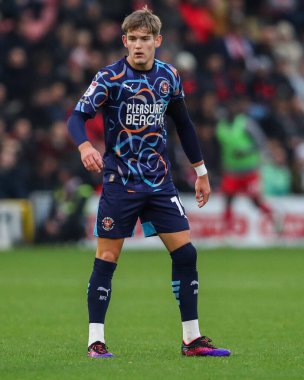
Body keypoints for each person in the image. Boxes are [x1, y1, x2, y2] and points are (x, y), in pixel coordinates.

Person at [67, 7, 230, 358]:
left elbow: (184, 125)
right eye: (133, 40)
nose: (138, 45)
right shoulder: (109, 77)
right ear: (124, 41)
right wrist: (84, 146)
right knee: (107, 258)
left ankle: (192, 340)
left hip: (159, 183)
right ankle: (96, 341)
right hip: (120, 183)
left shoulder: (168, 76)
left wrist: (201, 172)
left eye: (145, 39)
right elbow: (78, 116)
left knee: (186, 253)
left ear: (158, 40)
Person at [215, 97, 281, 234]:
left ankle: (275, 219)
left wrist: (245, 152)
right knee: (228, 200)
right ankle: (227, 232)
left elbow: (261, 142)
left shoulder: (245, 123)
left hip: (249, 170)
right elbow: (221, 149)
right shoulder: (220, 127)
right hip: (231, 170)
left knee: (255, 201)